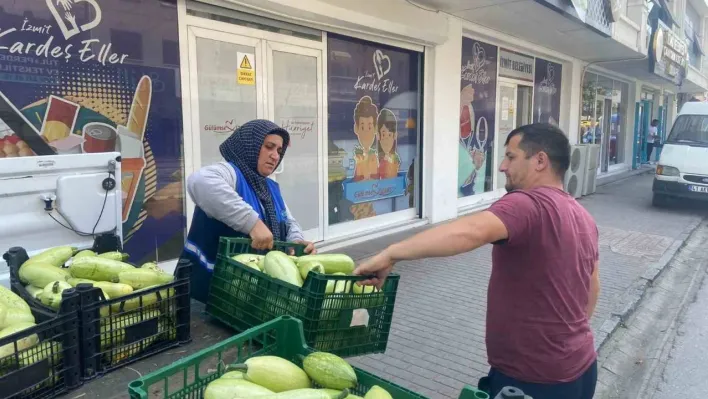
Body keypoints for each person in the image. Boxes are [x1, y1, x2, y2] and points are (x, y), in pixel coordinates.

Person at [354, 123, 600, 399]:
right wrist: (564, 342)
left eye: (511, 156)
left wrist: (390, 253)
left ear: (540, 161)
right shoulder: (583, 217)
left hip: (532, 379)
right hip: (581, 368)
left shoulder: (527, 204)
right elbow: (591, 288)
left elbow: (469, 231)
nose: (502, 166)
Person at [182, 119, 316, 303]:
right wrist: (252, 223)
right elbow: (199, 181)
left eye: (279, 150)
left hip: (245, 296)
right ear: (250, 145)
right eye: (269, 147)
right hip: (208, 293)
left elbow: (288, 220)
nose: (275, 156)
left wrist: (296, 242)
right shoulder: (230, 173)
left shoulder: (270, 188)